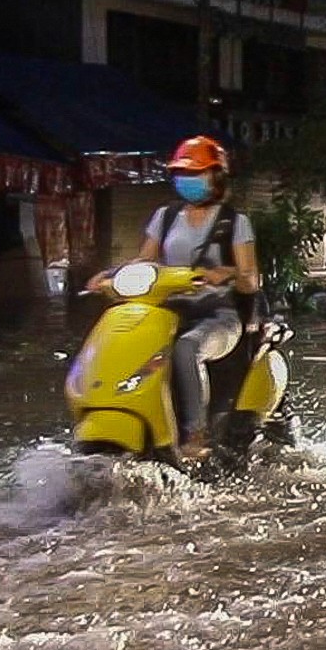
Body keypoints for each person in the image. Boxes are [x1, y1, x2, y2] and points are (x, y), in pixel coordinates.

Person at [87, 135, 261, 462]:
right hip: (168, 312)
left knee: (186, 348)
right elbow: (145, 261)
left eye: (196, 173)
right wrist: (110, 274)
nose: (187, 180)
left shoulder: (234, 223)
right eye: (182, 174)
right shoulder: (165, 217)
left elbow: (252, 278)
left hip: (218, 317)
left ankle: (195, 434)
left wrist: (228, 273)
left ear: (216, 176)